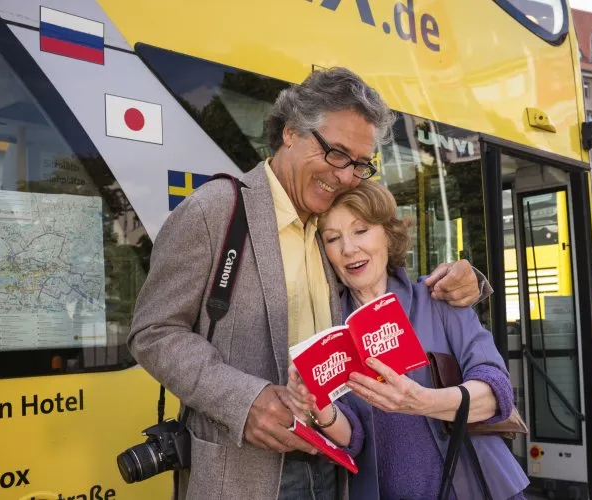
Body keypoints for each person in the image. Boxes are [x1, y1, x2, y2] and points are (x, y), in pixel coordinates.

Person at [127, 67, 491, 500]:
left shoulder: (331, 222)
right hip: (246, 473)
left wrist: (470, 281)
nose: (345, 176)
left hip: (336, 469)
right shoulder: (214, 212)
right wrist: (244, 401)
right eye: (336, 154)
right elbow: (153, 332)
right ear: (291, 132)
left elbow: (387, 278)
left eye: (360, 164)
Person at [287, 180, 530, 500]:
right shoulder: (330, 331)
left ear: (388, 234)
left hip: (480, 488)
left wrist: (421, 401)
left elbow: (497, 393)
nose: (348, 249)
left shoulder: (438, 299)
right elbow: (353, 438)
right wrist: (320, 408)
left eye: (360, 231)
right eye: (333, 239)